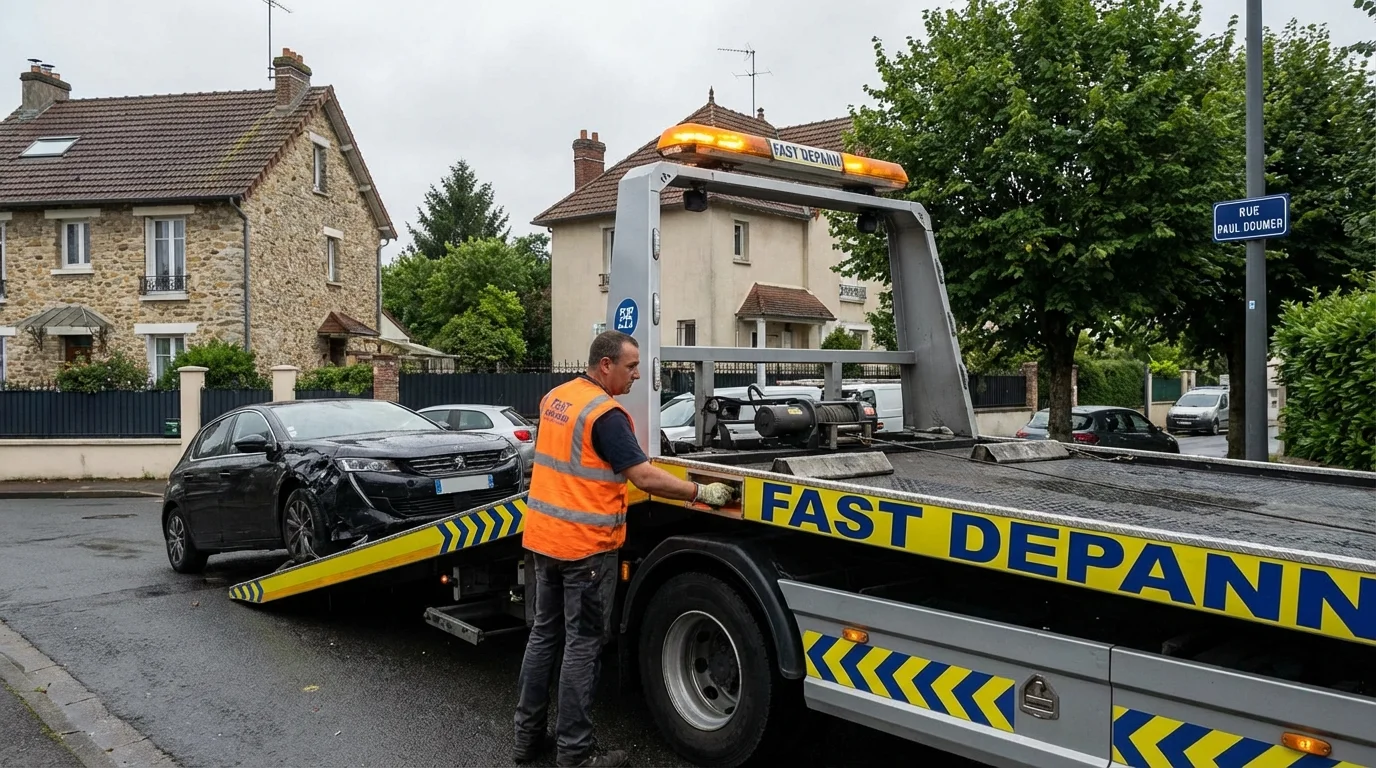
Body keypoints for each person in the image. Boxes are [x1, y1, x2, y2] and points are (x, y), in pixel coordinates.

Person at [513, 331, 735, 768]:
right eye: (631, 367)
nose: (637, 375)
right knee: (582, 646)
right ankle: (574, 753)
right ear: (605, 365)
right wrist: (699, 492)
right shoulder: (607, 416)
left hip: (545, 540)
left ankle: (527, 739)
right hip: (585, 549)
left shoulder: (557, 398)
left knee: (544, 637)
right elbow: (644, 477)